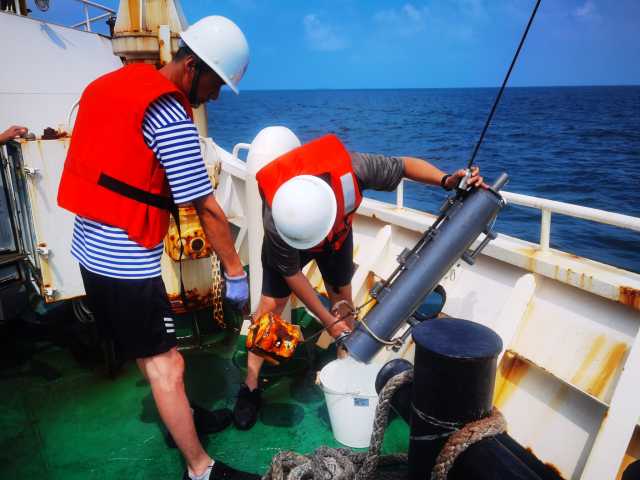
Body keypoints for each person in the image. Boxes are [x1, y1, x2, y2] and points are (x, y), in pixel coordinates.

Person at [57, 16, 258, 480]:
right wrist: (235, 274)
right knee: (166, 363)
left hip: (88, 251)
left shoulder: (109, 85)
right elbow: (207, 209)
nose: (215, 95)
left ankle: (181, 421)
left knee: (155, 357)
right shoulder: (168, 113)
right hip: (124, 263)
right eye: (215, 84)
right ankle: (200, 469)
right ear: (192, 67)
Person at [232, 133, 484, 430]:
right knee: (270, 306)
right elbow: (292, 275)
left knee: (344, 308)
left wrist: (446, 180)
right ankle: (250, 386)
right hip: (291, 246)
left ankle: (346, 376)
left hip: (336, 239)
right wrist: (326, 320)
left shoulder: (354, 168)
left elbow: (402, 166)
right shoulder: (279, 218)